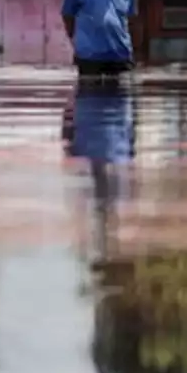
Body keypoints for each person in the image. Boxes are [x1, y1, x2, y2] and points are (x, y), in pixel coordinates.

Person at [65, 77, 135, 265]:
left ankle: (104, 241)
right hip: (110, 92)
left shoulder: (109, 182)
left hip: (92, 91)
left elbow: (69, 133)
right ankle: (105, 240)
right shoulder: (118, 183)